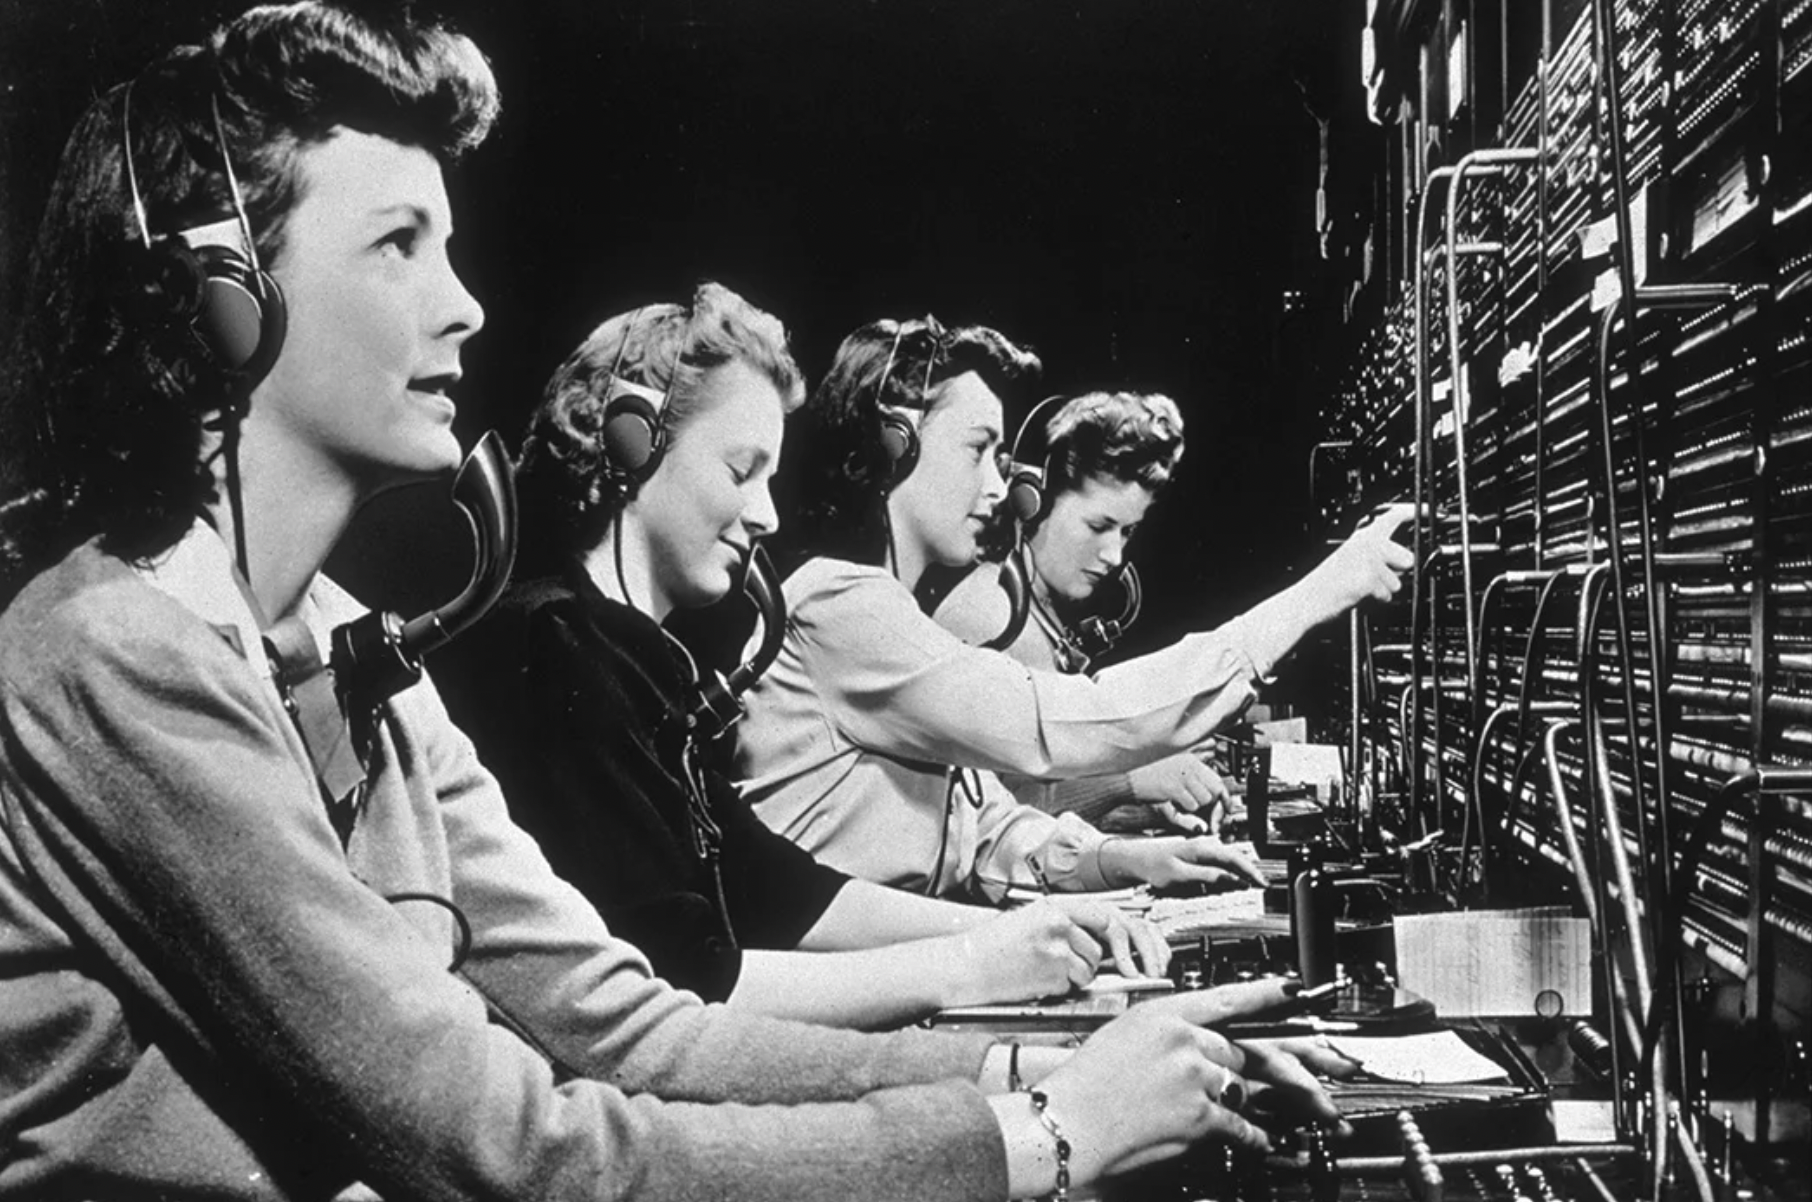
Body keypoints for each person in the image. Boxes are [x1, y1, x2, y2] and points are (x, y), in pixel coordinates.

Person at [0, 7, 1347, 1198]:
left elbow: (634, 1026)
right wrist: (1043, 1135)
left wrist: (1034, 1073)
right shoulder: (116, 654)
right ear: (220, 301)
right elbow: (511, 1150)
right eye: (399, 244)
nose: (466, 307)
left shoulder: (354, 657)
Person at [434, 288, 1172, 1032]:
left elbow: (782, 891)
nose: (767, 515)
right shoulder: (553, 645)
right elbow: (684, 978)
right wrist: (978, 962)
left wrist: (1021, 931)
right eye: (740, 471)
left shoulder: (636, 663)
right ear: (635, 442)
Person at [737, 315, 1414, 899]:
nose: (1000, 488)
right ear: (896, 443)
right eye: (978, 449)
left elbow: (985, 828)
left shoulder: (895, 616)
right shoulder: (840, 606)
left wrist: (1121, 859)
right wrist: (1319, 593)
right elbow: (1064, 724)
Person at [935, 390, 1235, 836]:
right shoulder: (988, 617)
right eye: (1098, 526)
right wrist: (1131, 781)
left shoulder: (1036, 614)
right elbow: (984, 819)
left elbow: (1049, 798)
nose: (1114, 555)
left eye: (1127, 531)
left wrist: (1150, 806)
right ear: (1030, 503)